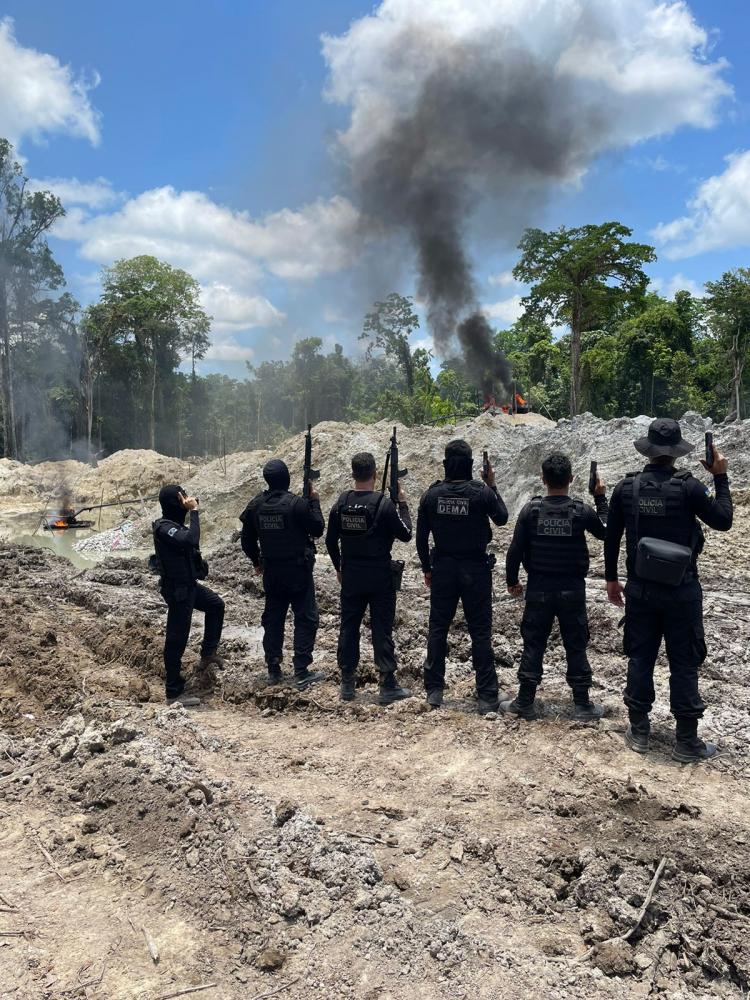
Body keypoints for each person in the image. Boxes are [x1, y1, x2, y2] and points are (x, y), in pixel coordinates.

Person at [605, 418, 733, 763]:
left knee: (640, 656)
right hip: (681, 591)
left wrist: (611, 579)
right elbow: (723, 519)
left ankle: (640, 730)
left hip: (641, 590)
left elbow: (612, 536)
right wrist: (719, 476)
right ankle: (686, 741)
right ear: (676, 453)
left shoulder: (626, 488)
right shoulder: (689, 488)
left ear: (647, 449)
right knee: (685, 661)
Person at [502, 452, 608, 721]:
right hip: (572, 589)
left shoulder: (531, 510)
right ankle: (582, 704)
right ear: (572, 479)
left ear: (543, 479)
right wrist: (599, 497)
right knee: (576, 645)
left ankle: (525, 701)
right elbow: (607, 531)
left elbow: (515, 551)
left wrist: (512, 581)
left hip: (539, 588)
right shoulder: (581, 511)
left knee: (533, 644)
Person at [416, 439, 508, 713]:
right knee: (480, 632)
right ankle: (487, 695)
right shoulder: (481, 493)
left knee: (438, 629)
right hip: (475, 571)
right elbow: (502, 518)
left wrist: (426, 569)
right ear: (471, 466)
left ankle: (434, 691)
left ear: (445, 465)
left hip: (443, 568)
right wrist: (491, 483)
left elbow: (421, 539)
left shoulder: (431, 496)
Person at [325, 452, 413, 704]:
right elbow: (406, 534)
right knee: (382, 629)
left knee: (349, 627)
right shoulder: (384, 505)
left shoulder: (341, 503)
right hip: (379, 577)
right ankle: (387, 684)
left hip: (351, 575)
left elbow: (331, 541)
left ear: (353, 475)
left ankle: (347, 684)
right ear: (375, 475)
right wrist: (403, 504)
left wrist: (339, 568)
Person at [240, 459, 325, 690]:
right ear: (287, 479)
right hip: (298, 571)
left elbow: (246, 540)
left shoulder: (256, 505)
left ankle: (274, 669)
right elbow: (317, 528)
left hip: (272, 573)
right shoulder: (296, 504)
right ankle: (301, 670)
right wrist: (314, 501)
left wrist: (257, 561)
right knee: (305, 618)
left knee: (274, 619)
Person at [152, 485, 225, 707]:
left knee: (216, 605)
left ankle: (208, 654)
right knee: (177, 639)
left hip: (189, 585)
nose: (186, 500)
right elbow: (189, 540)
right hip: (177, 590)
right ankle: (174, 692)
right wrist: (194, 512)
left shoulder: (175, 525)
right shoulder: (164, 527)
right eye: (181, 498)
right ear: (174, 502)